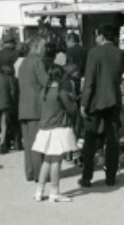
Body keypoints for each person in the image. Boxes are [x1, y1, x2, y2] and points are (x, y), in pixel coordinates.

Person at [78, 24, 124, 187]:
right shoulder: (120, 53)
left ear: (101, 36)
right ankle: (111, 177)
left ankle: (87, 177)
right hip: (114, 100)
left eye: (96, 35)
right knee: (112, 140)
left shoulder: (94, 52)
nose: (95, 38)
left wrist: (84, 103)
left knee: (91, 140)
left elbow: (89, 81)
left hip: (96, 102)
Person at [32, 65, 78, 202]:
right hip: (58, 129)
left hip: (45, 128)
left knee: (47, 160)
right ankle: (54, 192)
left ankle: (39, 191)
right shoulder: (61, 92)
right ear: (62, 76)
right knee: (56, 162)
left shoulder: (43, 92)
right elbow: (72, 109)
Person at [18, 36, 48, 182]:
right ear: (36, 47)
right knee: (37, 142)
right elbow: (45, 82)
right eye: (43, 47)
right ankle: (39, 173)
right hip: (35, 107)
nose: (44, 50)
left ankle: (30, 171)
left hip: (24, 106)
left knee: (28, 142)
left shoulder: (23, 62)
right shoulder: (37, 62)